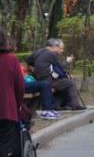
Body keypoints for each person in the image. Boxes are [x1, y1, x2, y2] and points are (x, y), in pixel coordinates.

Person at [26, 38, 84, 110]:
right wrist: (67, 64)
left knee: (62, 83)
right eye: (58, 48)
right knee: (70, 83)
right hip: (47, 81)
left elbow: (28, 60)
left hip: (38, 80)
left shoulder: (38, 52)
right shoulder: (51, 54)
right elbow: (60, 67)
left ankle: (57, 105)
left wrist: (34, 66)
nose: (59, 50)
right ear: (54, 47)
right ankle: (75, 105)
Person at [0, 29, 24, 157]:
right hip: (5, 109)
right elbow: (20, 87)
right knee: (4, 144)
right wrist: (17, 105)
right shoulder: (11, 60)